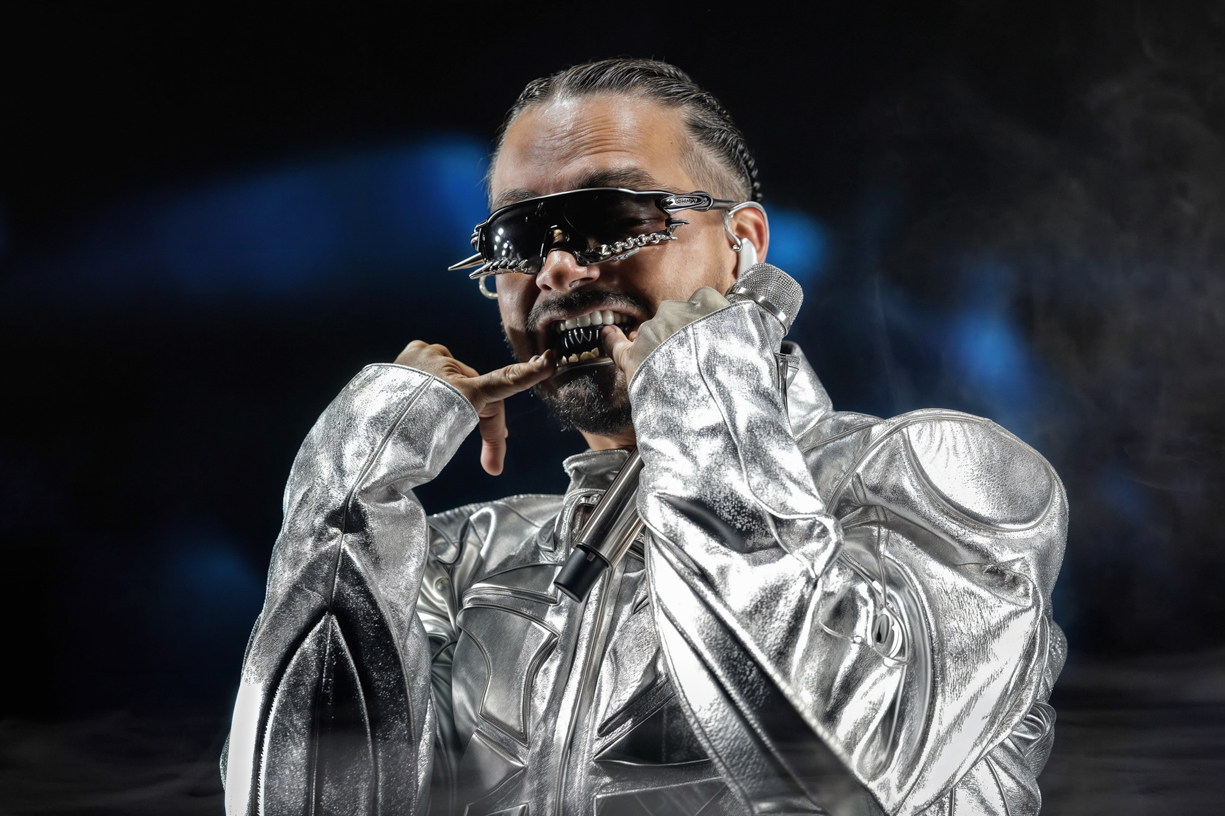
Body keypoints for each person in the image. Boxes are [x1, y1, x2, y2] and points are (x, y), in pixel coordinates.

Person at [222, 59, 1066, 816]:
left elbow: (837, 777)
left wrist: (700, 381)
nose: (557, 269)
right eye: (519, 238)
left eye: (611, 216)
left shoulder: (946, 480)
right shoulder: (461, 560)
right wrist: (353, 484)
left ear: (742, 246)